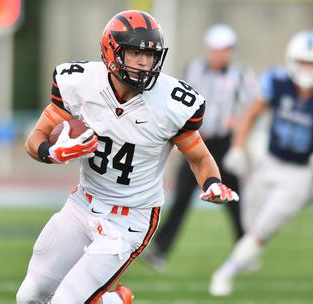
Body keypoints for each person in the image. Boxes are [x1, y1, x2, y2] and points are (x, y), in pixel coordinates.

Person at [16, 10, 238, 304]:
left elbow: (199, 157)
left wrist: (211, 183)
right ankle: (115, 301)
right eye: (135, 53)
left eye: (150, 55)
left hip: (130, 219)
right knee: (30, 296)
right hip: (83, 202)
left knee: (65, 302)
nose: (145, 62)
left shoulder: (171, 103)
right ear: (112, 51)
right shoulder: (81, 83)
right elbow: (36, 139)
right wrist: (52, 153)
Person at [209, 30, 313, 296]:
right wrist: (238, 148)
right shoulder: (277, 82)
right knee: (249, 221)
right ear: (292, 60)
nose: (307, 68)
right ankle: (247, 253)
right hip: (269, 163)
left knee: (263, 229)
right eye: (303, 62)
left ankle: (224, 273)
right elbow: (250, 114)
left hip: (300, 174)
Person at [145, 24, 257, 271]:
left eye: (225, 50)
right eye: (217, 50)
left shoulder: (240, 75)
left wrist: (237, 126)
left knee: (235, 201)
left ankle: (245, 253)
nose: (220, 55)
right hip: (196, 142)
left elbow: (251, 108)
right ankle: (160, 250)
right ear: (209, 50)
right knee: (181, 198)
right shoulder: (194, 69)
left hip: (224, 143)